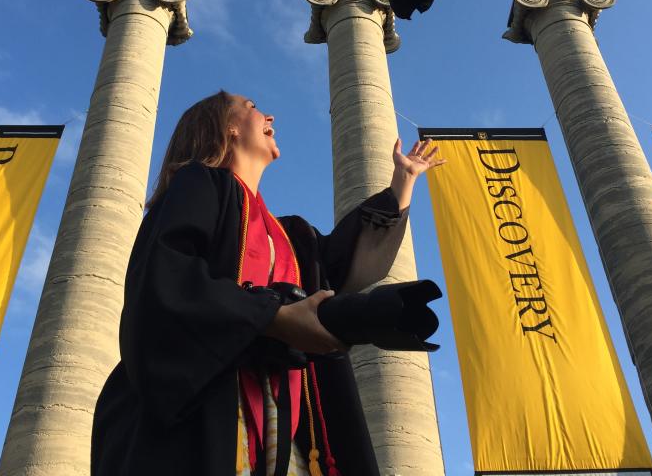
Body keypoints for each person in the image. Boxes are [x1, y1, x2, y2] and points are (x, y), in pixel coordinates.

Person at [91, 90, 444, 476]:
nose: (269, 114)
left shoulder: (290, 234)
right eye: (252, 107)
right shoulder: (199, 183)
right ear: (228, 128)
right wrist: (271, 316)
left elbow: (339, 266)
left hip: (285, 427)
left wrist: (402, 183)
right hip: (203, 416)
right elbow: (167, 275)